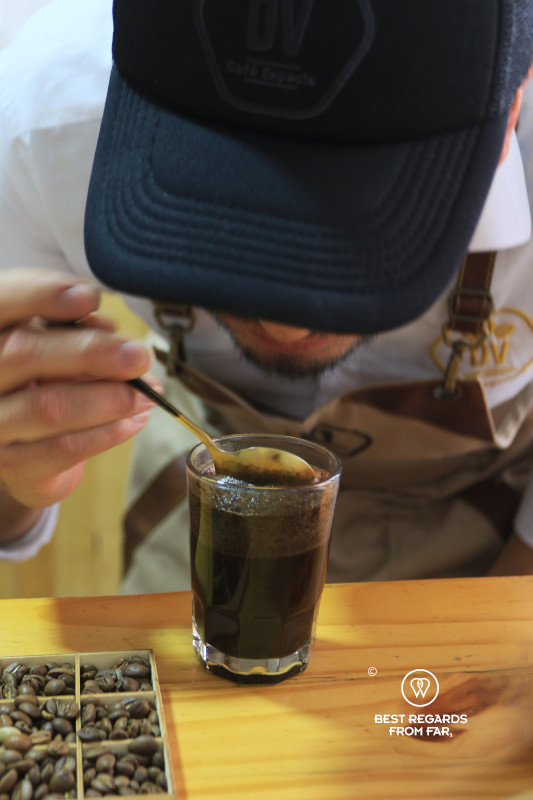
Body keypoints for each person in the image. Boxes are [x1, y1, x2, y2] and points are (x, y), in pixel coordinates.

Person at [1, 0, 533, 592]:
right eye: (216, 201)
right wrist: (17, 472)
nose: (281, 329)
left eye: (351, 214)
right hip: (201, 499)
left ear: (511, 108)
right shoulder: (47, 130)